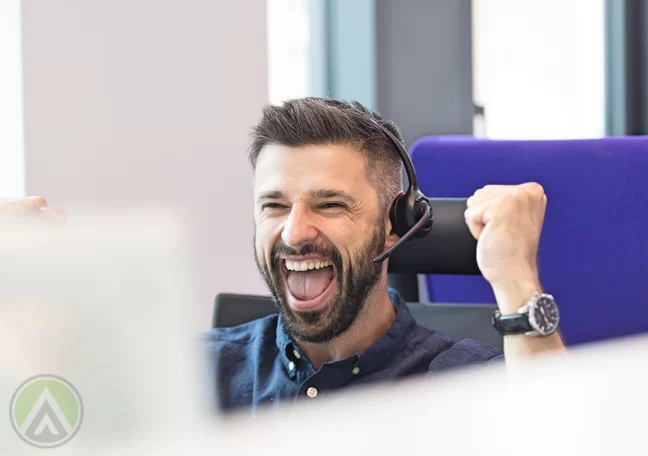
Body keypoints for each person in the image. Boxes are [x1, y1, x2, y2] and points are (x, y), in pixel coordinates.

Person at [1, 97, 566, 414]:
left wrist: (517, 278)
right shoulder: (191, 379)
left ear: (396, 226)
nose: (296, 233)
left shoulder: (472, 384)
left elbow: (566, 442)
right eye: (274, 205)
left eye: (329, 204)